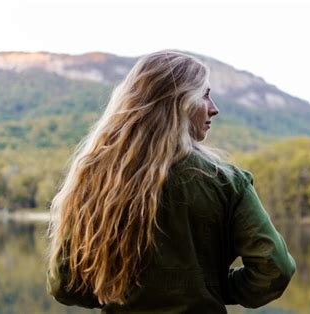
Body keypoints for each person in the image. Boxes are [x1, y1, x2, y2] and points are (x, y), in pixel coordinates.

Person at [46, 50, 296, 313]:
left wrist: (114, 290)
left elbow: (64, 284)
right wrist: (214, 287)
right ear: (178, 103)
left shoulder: (95, 177)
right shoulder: (227, 182)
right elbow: (275, 269)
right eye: (205, 95)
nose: (215, 108)